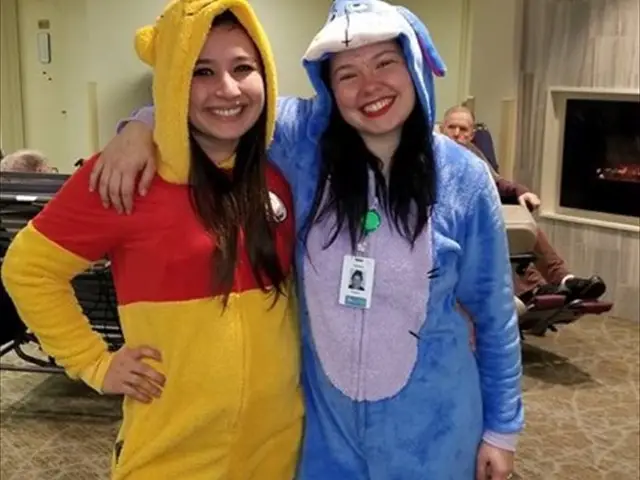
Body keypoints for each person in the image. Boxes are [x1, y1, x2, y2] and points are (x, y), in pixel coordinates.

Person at [87, 1, 523, 478]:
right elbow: (216, 109)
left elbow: (494, 313)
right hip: (325, 437)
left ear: (414, 65)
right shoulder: (300, 143)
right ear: (328, 87)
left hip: (434, 434)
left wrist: (502, 431)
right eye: (348, 74)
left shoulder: (463, 178)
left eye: (385, 63)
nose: (370, 86)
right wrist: (141, 125)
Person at [1, 2, 302, 479]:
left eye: (243, 68)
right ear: (173, 82)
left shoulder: (282, 172)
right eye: (201, 71)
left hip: (280, 452)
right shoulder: (127, 175)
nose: (227, 89)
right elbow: (28, 268)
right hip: (171, 457)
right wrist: (93, 363)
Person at [442, 105, 607, 303]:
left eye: (463, 129)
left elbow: (498, 183)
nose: (456, 134)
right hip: (450, 222)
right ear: (442, 128)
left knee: (525, 225)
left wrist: (522, 191)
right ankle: (535, 289)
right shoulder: (431, 155)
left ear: (471, 135)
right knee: (496, 230)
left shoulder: (473, 153)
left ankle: (564, 280)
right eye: (452, 127)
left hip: (481, 214)